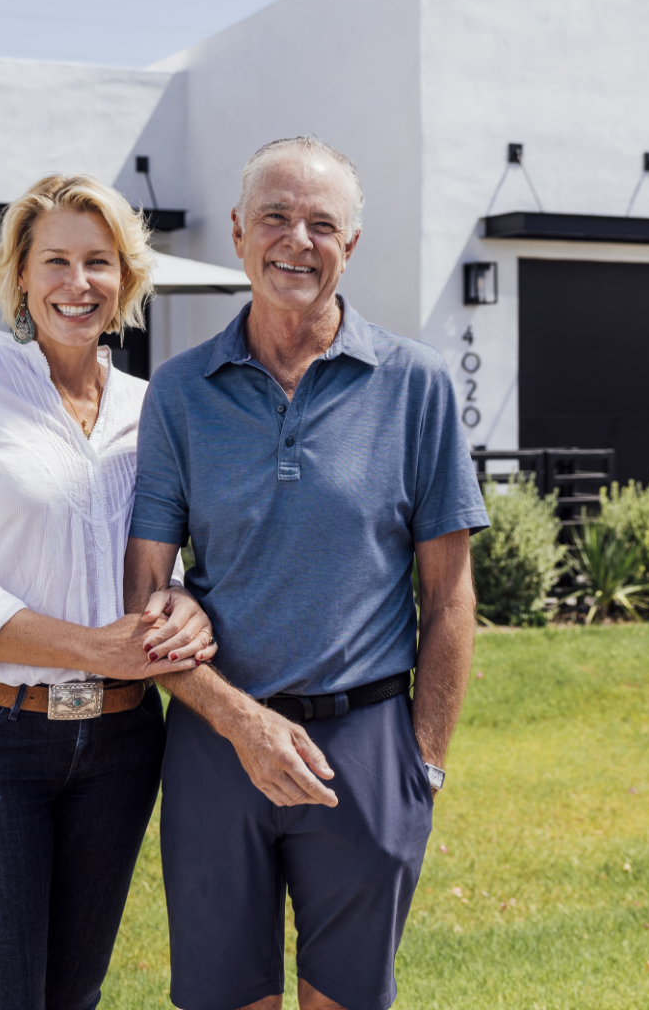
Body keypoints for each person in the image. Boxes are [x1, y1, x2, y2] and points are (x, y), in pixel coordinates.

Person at [124, 137, 490, 1010]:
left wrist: (423, 766)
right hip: (214, 743)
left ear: (351, 246)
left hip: (364, 750)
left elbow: (448, 598)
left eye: (323, 223)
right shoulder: (178, 391)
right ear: (242, 234)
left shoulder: (418, 386)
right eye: (278, 218)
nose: (299, 239)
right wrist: (241, 723)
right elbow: (143, 593)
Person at [0, 174, 215, 1010]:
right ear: (21, 277)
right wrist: (92, 648)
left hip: (121, 745)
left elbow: (165, 560)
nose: (79, 284)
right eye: (56, 261)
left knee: (74, 998)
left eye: (99, 262)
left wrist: (181, 601)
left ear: (126, 279)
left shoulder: (156, 409)